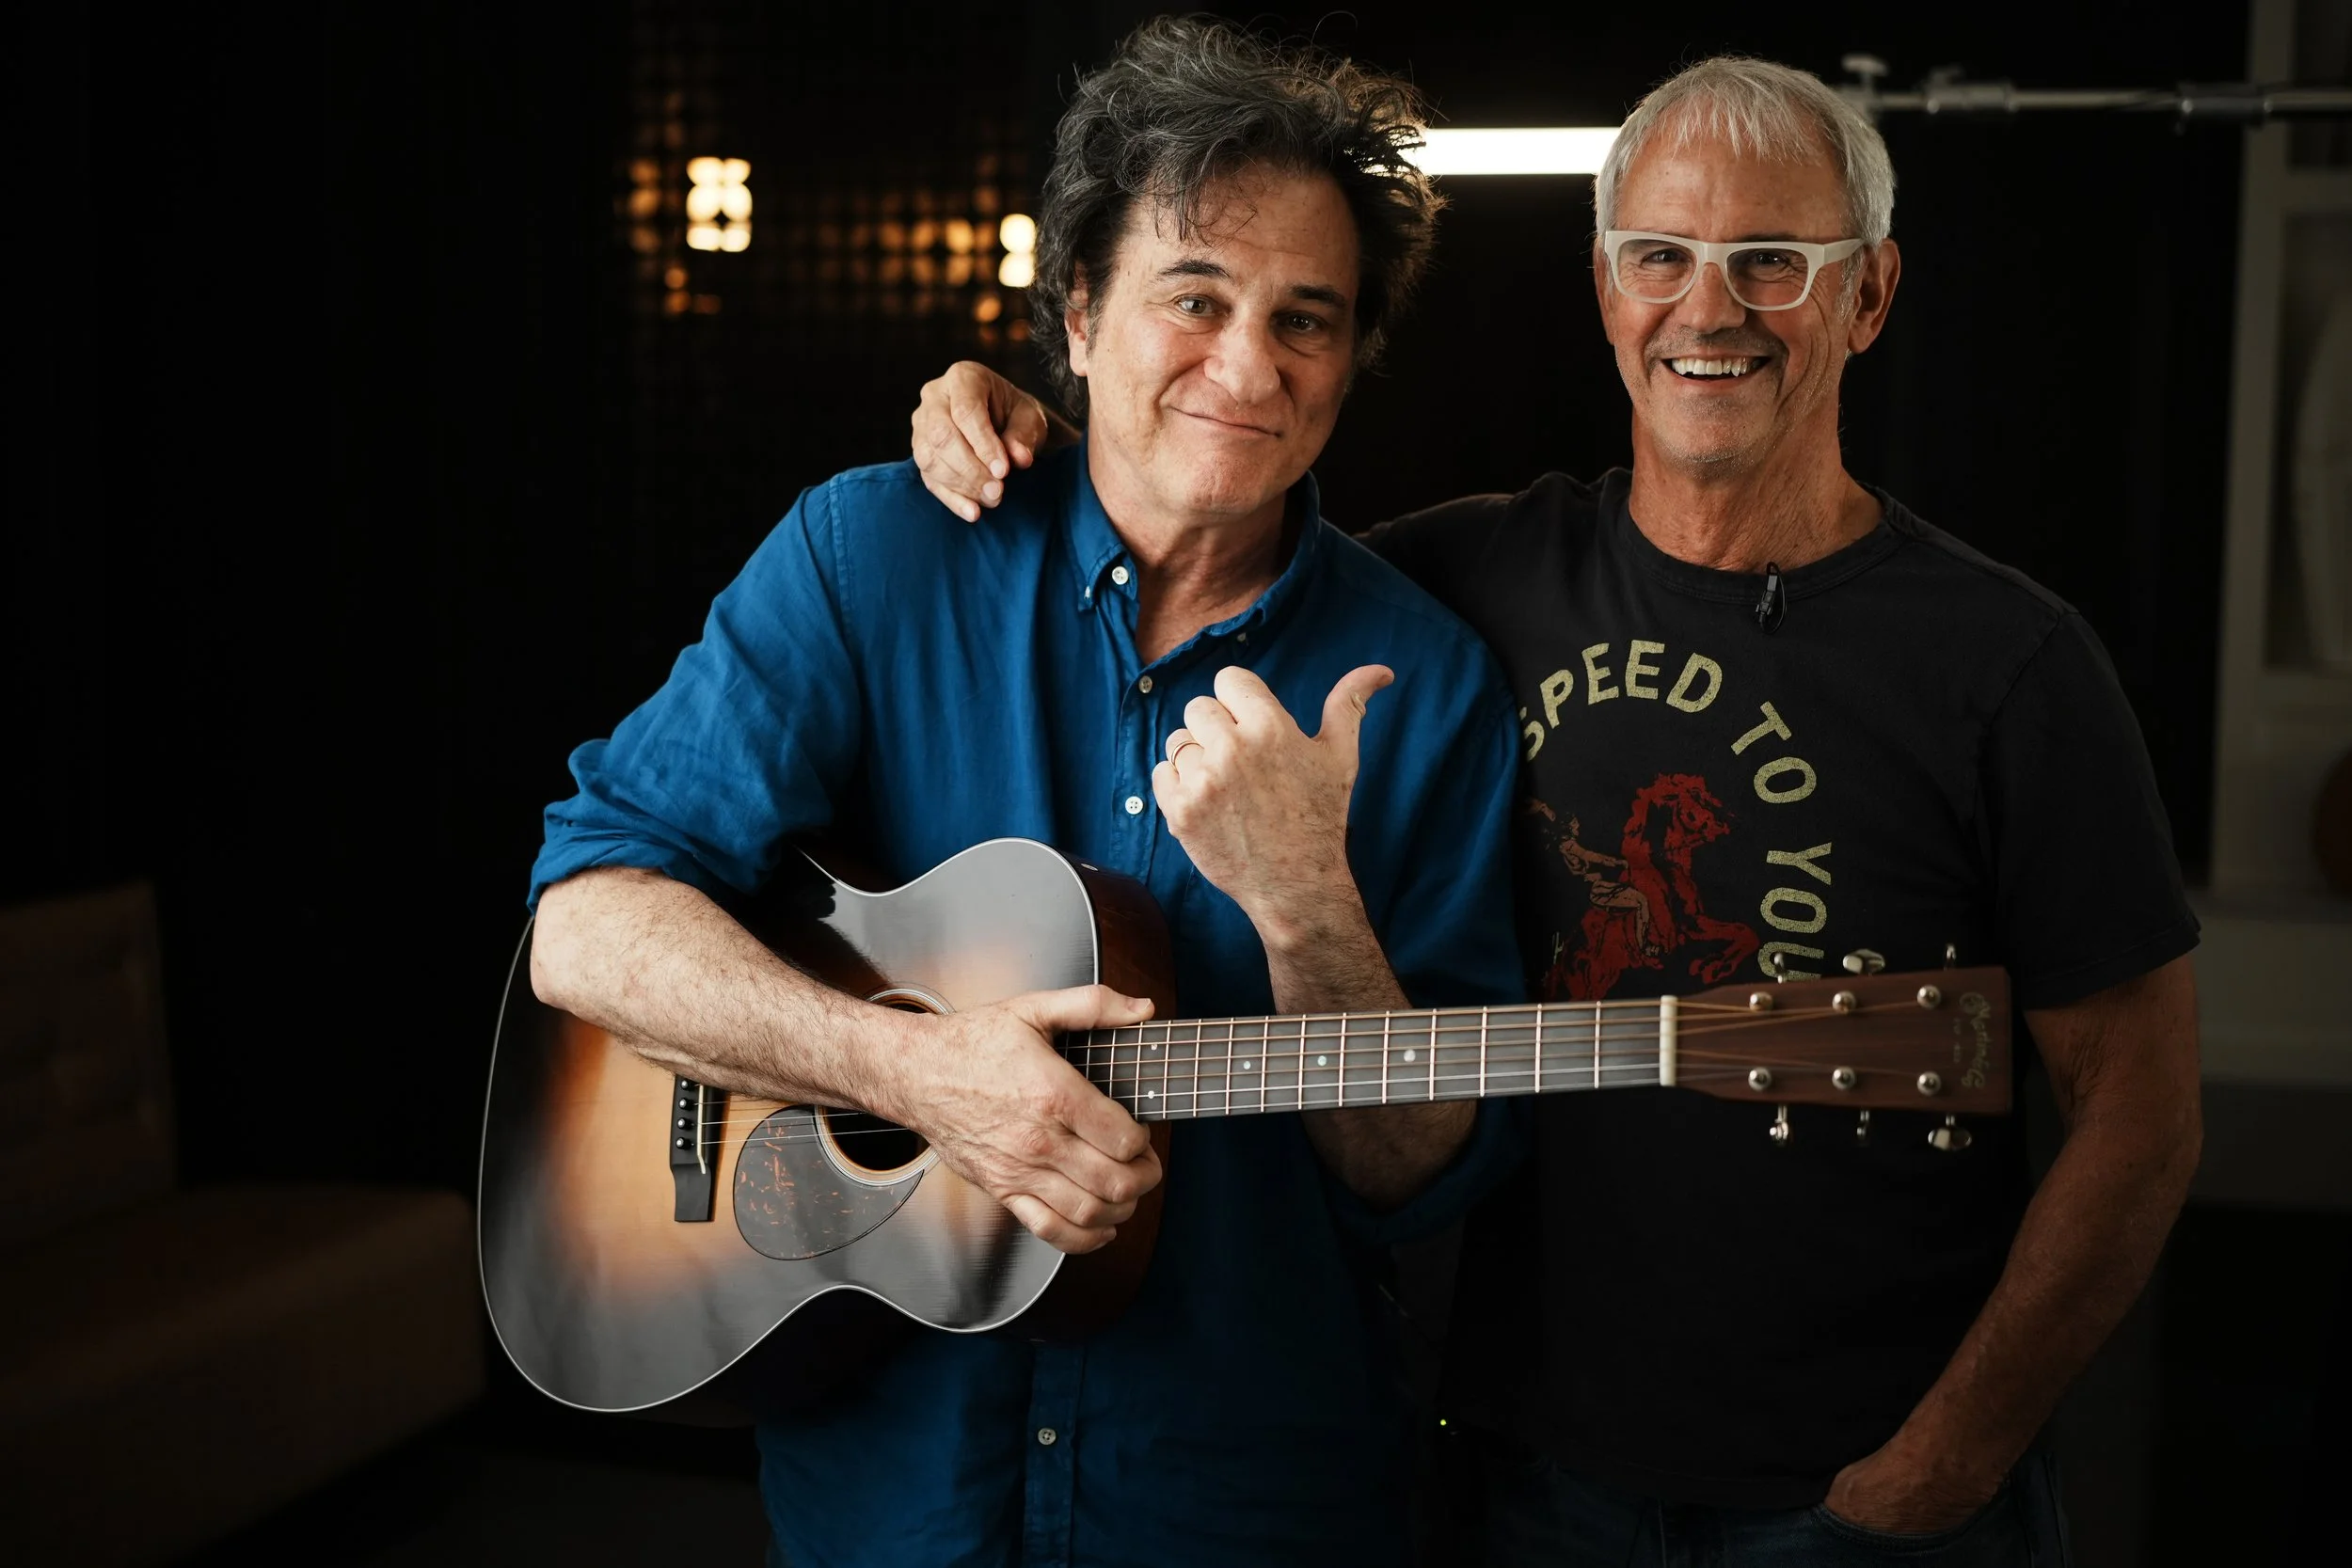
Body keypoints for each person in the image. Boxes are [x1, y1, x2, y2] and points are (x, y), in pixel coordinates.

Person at [909, 53, 2201, 1566]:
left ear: (1870, 296)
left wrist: (1947, 1459)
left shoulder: (2011, 664)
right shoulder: (1466, 591)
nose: (1707, 309)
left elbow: (2142, 1114)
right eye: (1661, 256)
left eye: (1771, 263)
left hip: (1863, 1500)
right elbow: (1198, 525)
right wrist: (1022, 429)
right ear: (1607, 290)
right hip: (1527, 1487)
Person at [527, 19, 1523, 1568]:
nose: (1248, 366)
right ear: (1075, 310)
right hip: (895, 1503)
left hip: (1250, 1505)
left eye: (1307, 320)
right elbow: (583, 932)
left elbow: (1416, 1178)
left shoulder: (1424, 682)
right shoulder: (878, 557)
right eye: (1194, 298)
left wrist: (1304, 901)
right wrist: (908, 1072)